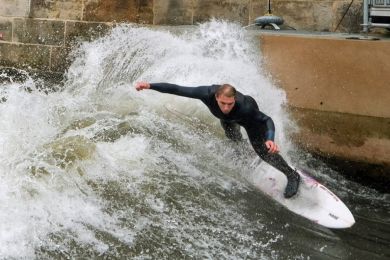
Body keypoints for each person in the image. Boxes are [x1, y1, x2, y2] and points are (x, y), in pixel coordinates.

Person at [135, 82, 300, 198]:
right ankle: (243, 152)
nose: (226, 107)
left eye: (230, 103)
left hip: (248, 119)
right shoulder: (206, 94)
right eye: (223, 103)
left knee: (262, 151)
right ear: (216, 97)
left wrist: (270, 139)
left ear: (234, 99)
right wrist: (150, 86)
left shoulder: (245, 108)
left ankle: (292, 175)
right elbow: (178, 89)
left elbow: (267, 120)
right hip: (228, 121)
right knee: (232, 136)